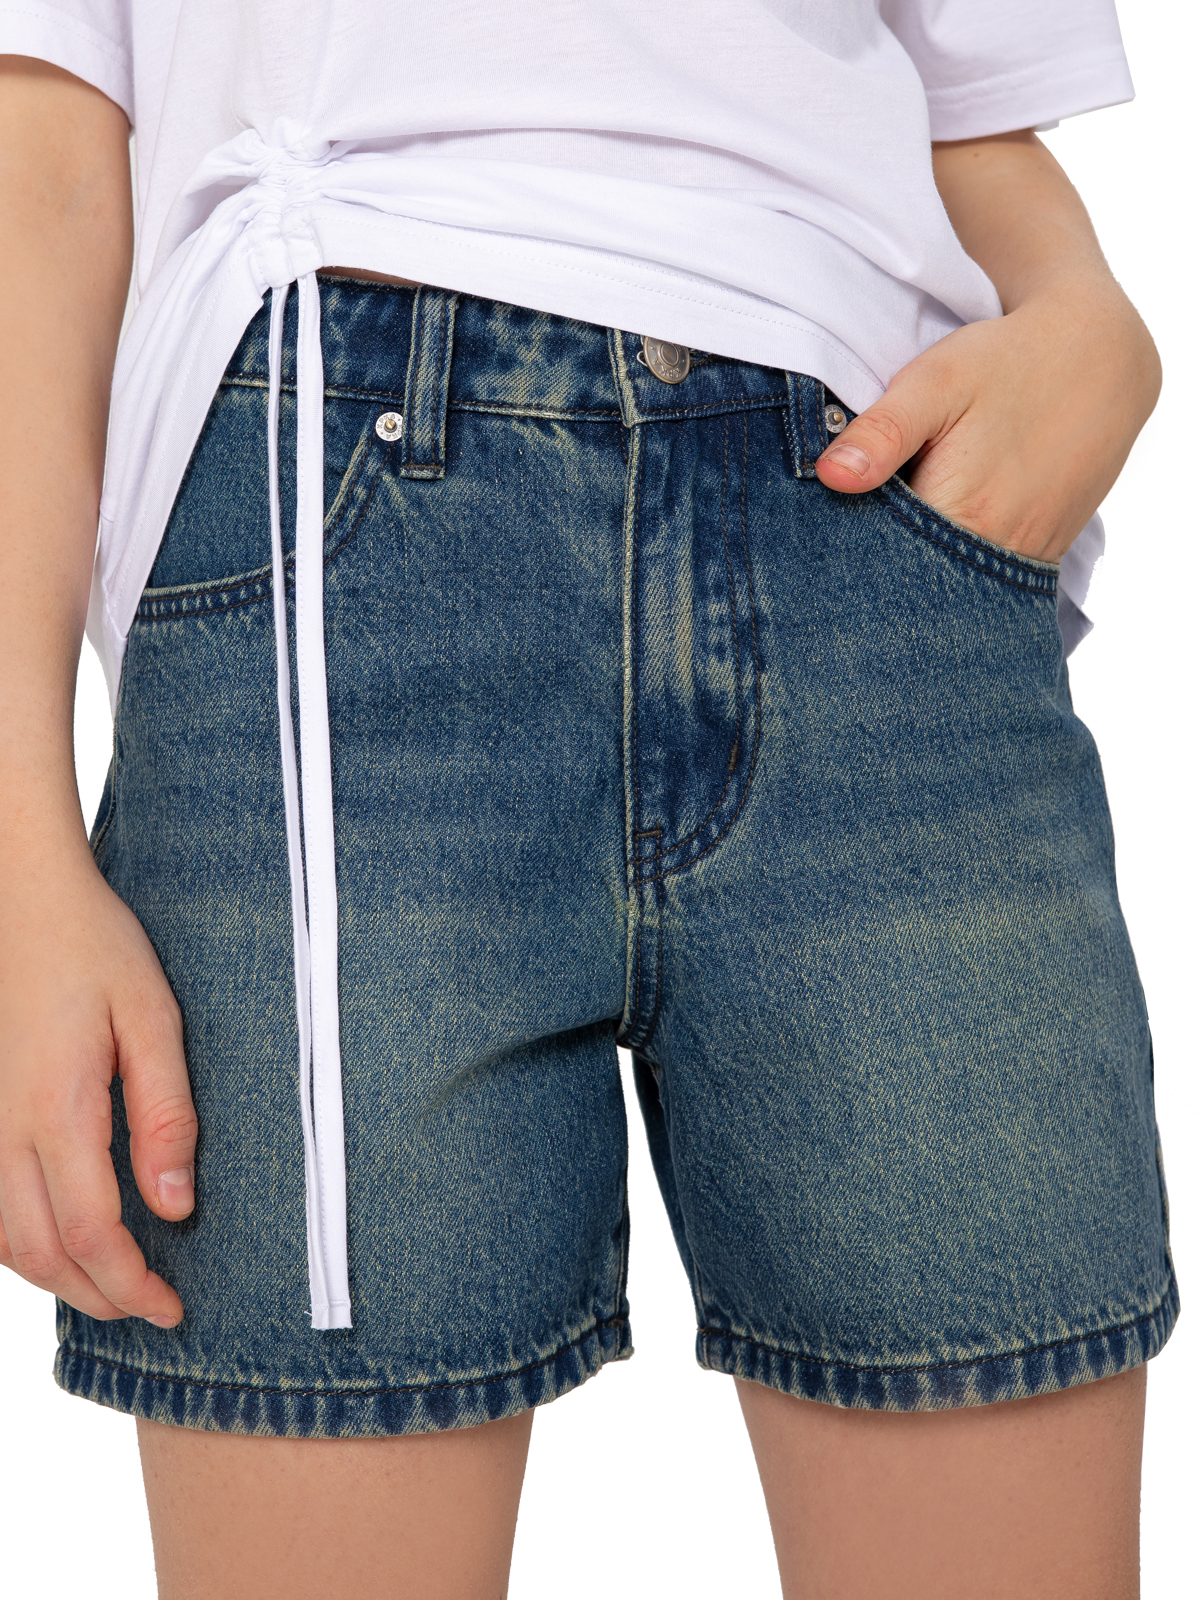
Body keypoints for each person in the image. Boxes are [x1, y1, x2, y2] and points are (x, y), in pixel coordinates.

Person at [0, 3, 1174, 1596]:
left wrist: (1090, 316)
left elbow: (974, 115)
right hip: (330, 578)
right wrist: (16, 857)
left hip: (875, 529)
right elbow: (41, 150)